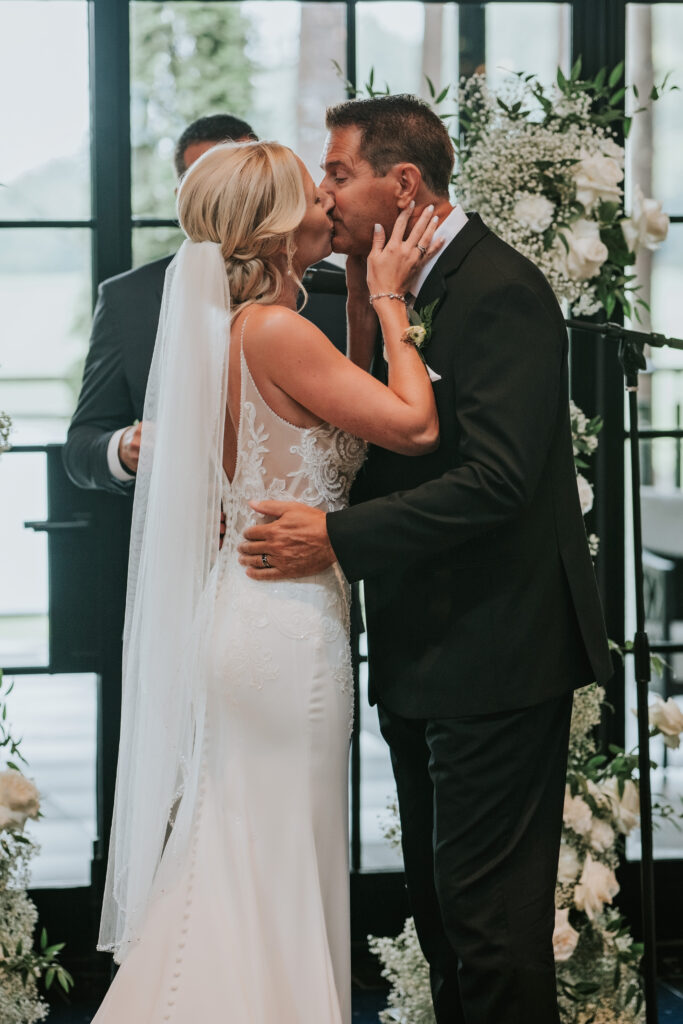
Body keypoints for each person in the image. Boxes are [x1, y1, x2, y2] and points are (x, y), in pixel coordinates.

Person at [237, 95, 614, 1024]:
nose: (324, 193)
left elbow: (496, 480)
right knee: (444, 917)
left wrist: (335, 540)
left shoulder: (500, 289)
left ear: (400, 182)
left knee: (490, 930)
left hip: (496, 648)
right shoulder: (382, 285)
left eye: (336, 172)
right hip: (423, 648)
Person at [91, 139, 442, 1024]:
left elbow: (337, 412)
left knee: (242, 849)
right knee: (274, 858)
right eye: (311, 190)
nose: (329, 200)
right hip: (283, 627)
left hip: (248, 611)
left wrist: (363, 295)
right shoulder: (275, 331)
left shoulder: (222, 334)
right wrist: (396, 297)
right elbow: (409, 426)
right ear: (280, 227)